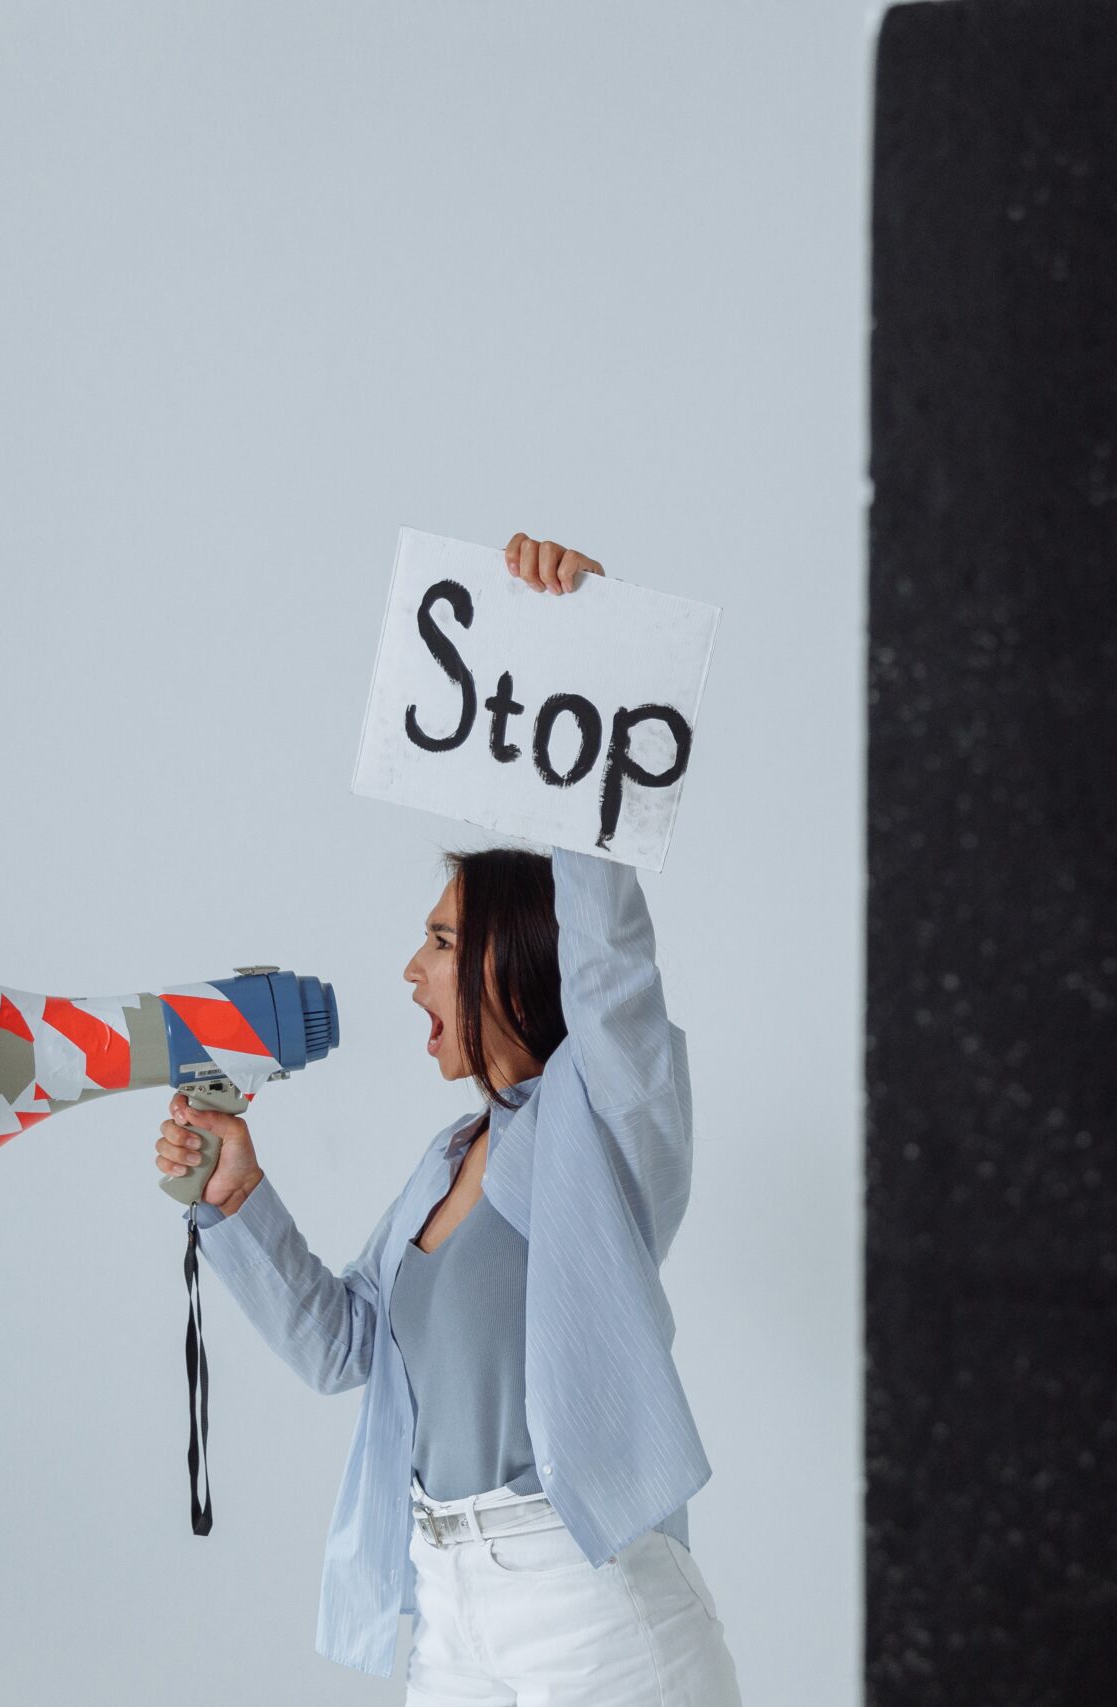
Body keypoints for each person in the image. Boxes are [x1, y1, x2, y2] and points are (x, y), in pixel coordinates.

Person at [156, 534, 743, 1704]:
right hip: (445, 1600)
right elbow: (345, 1348)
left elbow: (613, 961)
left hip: (589, 1601)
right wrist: (238, 1197)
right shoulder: (447, 1161)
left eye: (437, 941)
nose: (411, 971)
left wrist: (582, 644)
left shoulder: (609, 1120)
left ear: (517, 961)